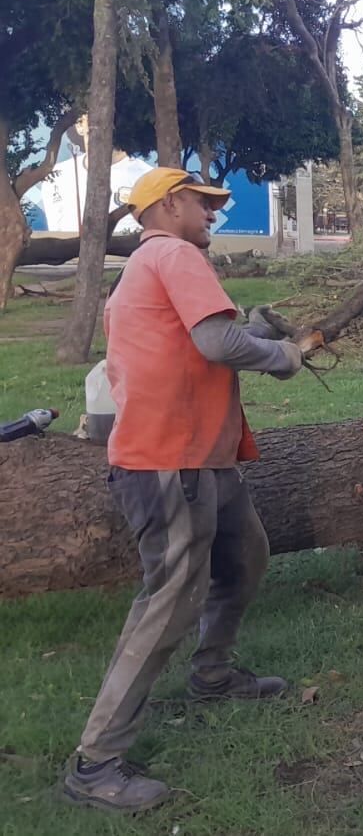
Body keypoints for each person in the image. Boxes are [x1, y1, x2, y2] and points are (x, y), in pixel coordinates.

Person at [63, 168, 305, 813]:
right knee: (168, 601)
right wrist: (283, 356)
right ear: (167, 203)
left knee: (244, 557)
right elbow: (216, 340)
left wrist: (263, 338)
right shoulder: (174, 251)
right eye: (205, 202)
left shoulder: (146, 265)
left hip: (201, 457)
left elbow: (200, 343)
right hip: (172, 461)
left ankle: (214, 674)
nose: (214, 214)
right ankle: (96, 762)